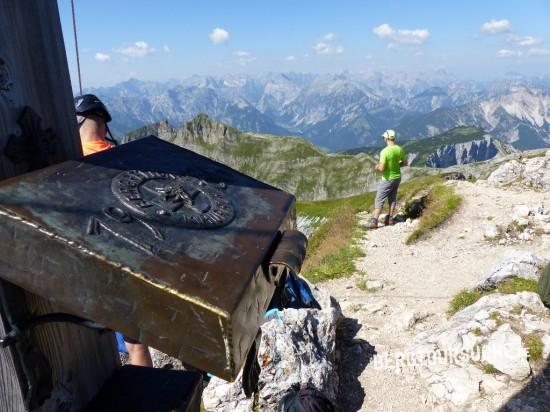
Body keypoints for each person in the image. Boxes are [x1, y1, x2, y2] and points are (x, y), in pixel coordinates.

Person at [74, 94, 153, 367]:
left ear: (78, 121)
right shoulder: (124, 159)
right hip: (128, 259)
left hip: (84, 262)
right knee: (136, 344)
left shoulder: (69, 160)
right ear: (103, 125)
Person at [368, 129, 408, 229]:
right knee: (392, 197)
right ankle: (390, 219)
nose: (383, 139)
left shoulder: (384, 152)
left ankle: (374, 221)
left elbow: (382, 168)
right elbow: (405, 163)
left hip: (387, 179)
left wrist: (376, 166)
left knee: (379, 199)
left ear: (387, 138)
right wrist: (396, 165)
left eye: (384, 137)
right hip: (397, 178)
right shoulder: (399, 149)